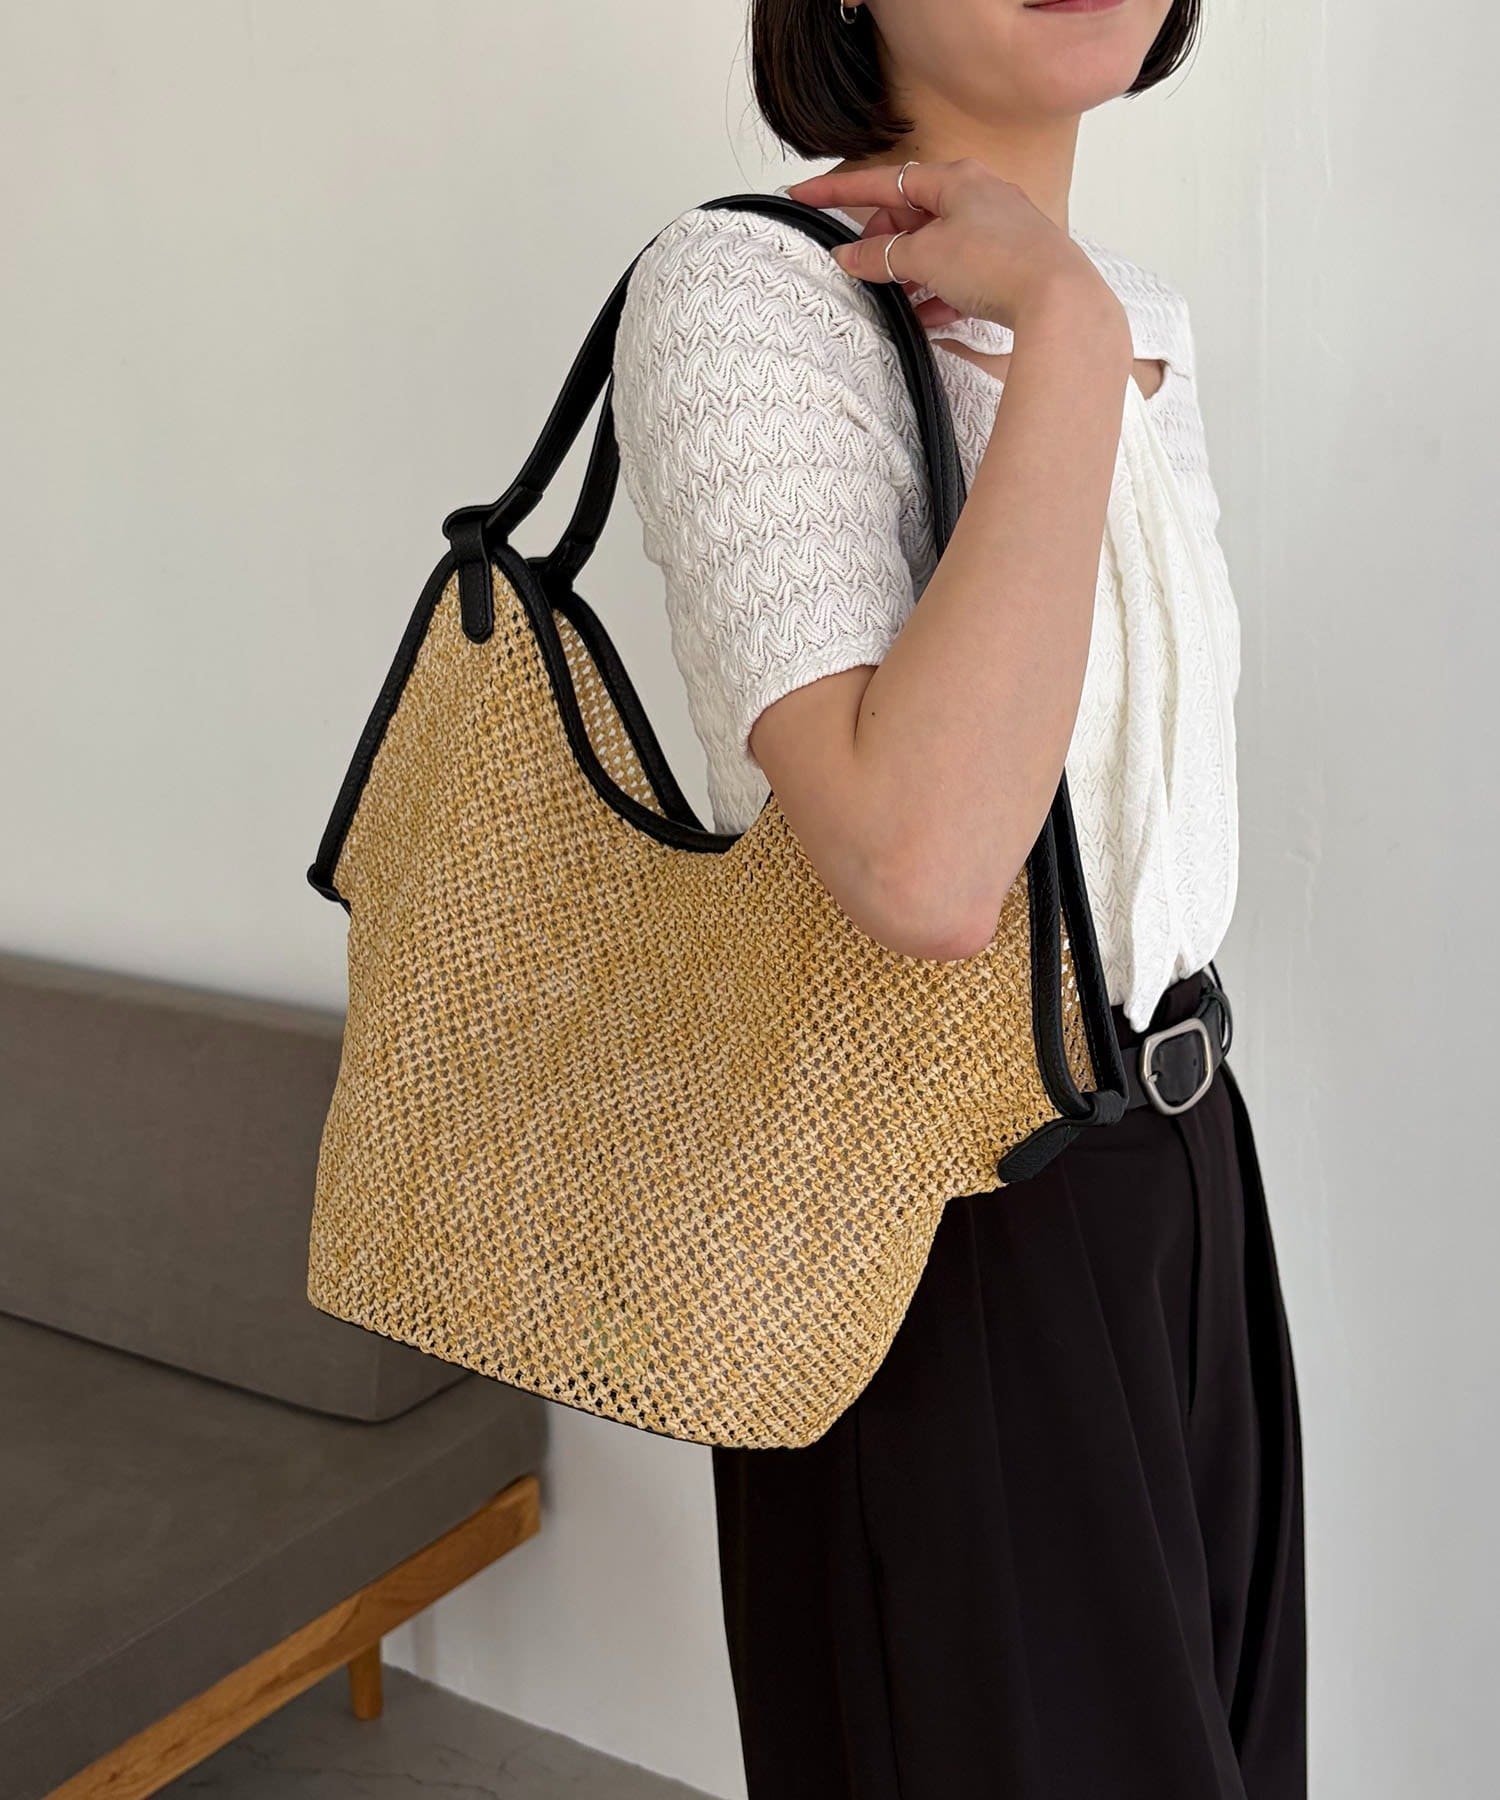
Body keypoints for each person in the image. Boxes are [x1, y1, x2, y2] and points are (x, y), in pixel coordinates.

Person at [610, 2, 1306, 1794]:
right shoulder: (750, 295)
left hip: (1182, 1180)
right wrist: (1057, 338)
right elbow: (922, 868)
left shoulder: (1137, 309)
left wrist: (1075, 307)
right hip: (935, 1235)